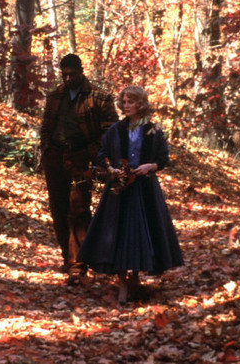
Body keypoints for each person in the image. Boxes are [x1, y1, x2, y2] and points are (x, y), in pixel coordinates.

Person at [77, 86, 184, 304]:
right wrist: (111, 170)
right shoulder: (115, 130)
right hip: (119, 190)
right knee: (117, 233)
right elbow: (102, 156)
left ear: (140, 104)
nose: (126, 106)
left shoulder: (153, 131)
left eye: (131, 102)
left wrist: (149, 167)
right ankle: (122, 283)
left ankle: (135, 278)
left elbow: (163, 160)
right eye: (124, 102)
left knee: (140, 234)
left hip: (144, 189)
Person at [39, 54, 119, 285]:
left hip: (81, 159)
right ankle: (68, 257)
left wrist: (90, 155)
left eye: (72, 74)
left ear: (81, 71)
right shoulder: (55, 96)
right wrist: (45, 151)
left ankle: (78, 265)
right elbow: (46, 126)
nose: (68, 78)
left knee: (79, 209)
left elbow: (109, 132)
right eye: (64, 74)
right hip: (55, 157)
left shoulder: (99, 97)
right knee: (58, 208)